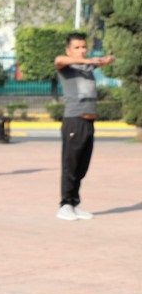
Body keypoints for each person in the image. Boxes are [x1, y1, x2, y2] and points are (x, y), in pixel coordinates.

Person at [53, 32, 114, 221]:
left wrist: (105, 60)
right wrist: (88, 60)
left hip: (89, 122)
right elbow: (58, 60)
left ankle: (74, 203)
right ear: (69, 50)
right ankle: (64, 205)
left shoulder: (87, 67)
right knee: (70, 165)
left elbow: (102, 61)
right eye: (77, 47)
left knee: (82, 166)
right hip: (74, 120)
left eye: (84, 47)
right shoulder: (66, 67)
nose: (81, 50)